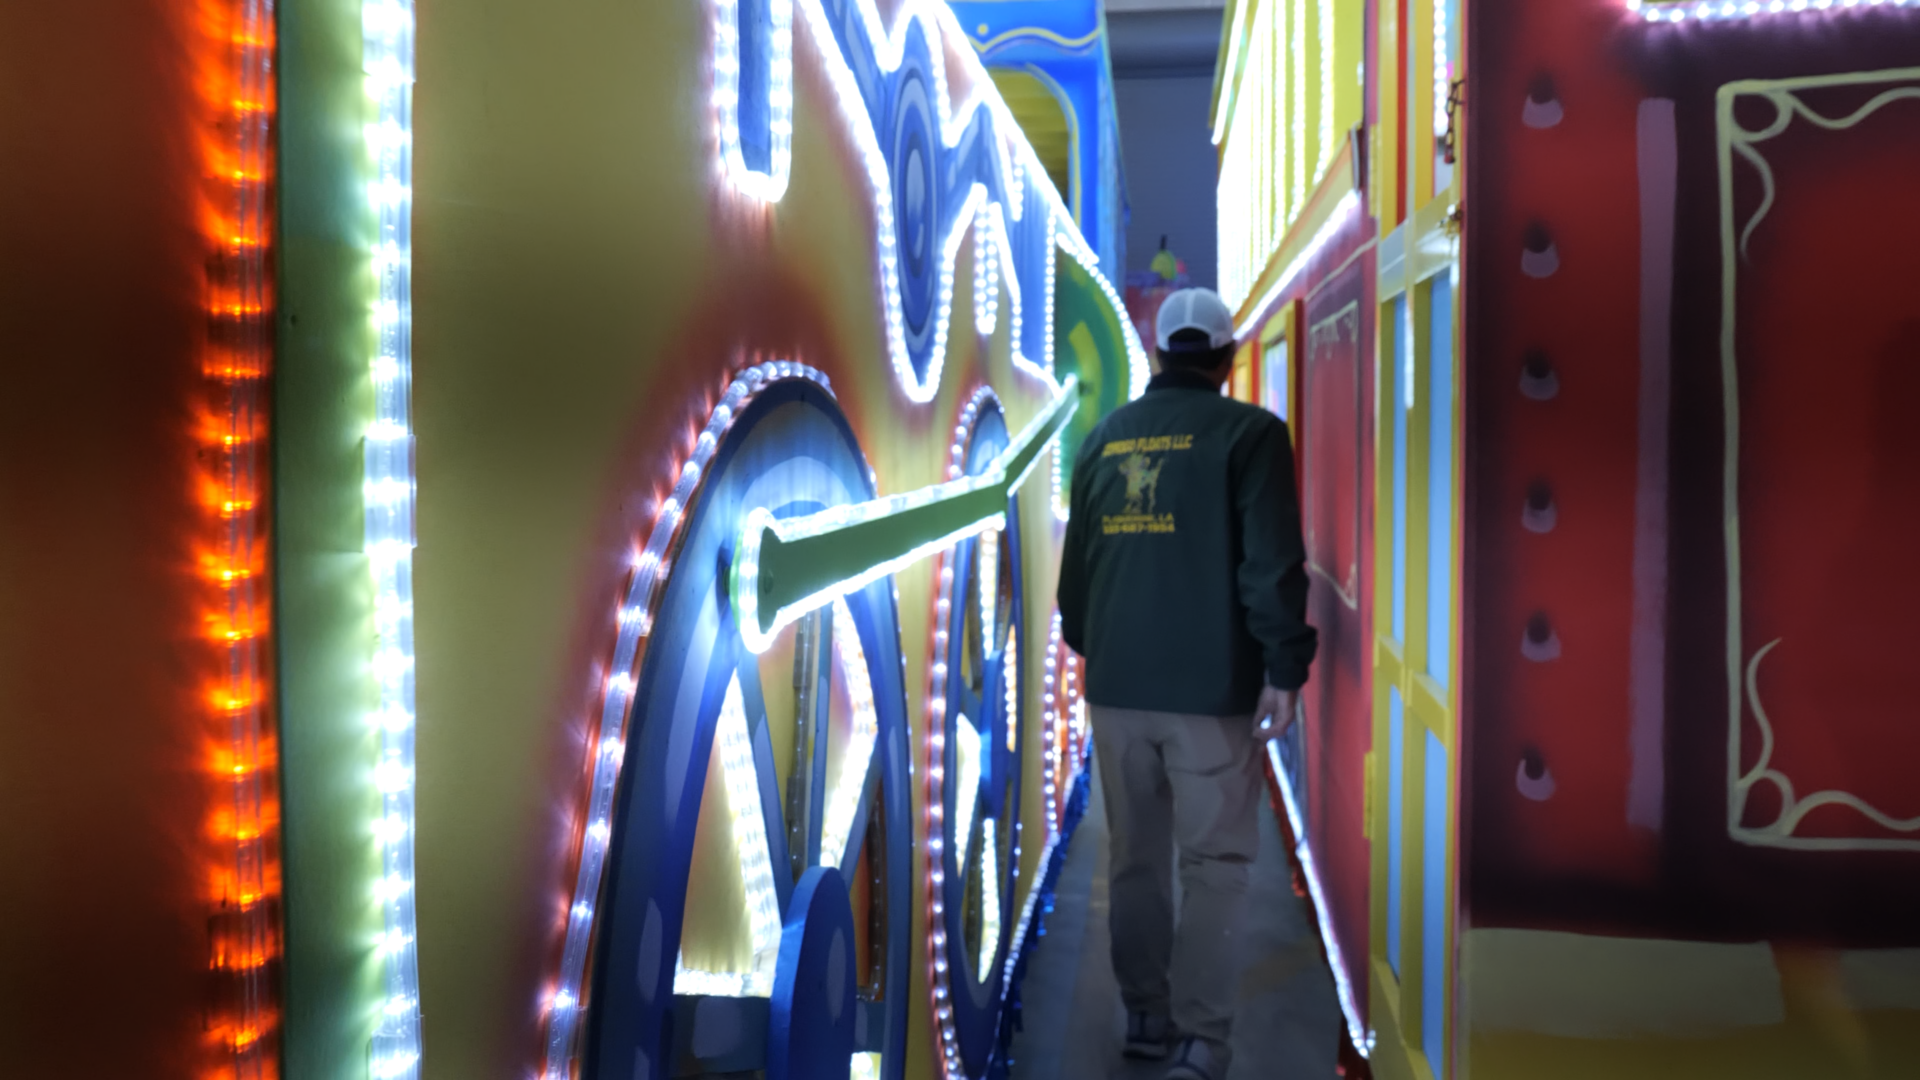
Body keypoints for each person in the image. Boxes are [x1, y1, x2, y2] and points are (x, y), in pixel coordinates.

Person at [1057, 287, 1318, 1080]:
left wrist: (1101, 647)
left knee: (1135, 857)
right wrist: (1284, 669)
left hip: (1119, 687)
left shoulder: (1103, 440)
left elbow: (1077, 589)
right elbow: (1271, 566)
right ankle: (1201, 1043)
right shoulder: (1253, 436)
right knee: (1215, 867)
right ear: (1228, 358)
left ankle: (1143, 1016)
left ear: (1161, 353)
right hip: (1212, 695)